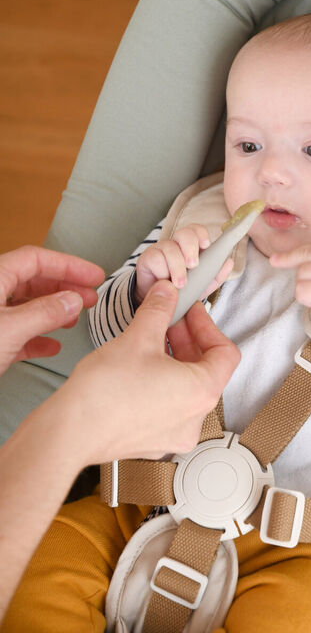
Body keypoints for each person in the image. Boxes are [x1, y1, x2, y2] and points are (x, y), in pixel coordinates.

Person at [2, 13, 311, 632]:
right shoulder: (200, 238)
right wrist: (150, 287)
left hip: (292, 543)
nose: (271, 172)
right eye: (248, 145)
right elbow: (110, 343)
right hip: (138, 504)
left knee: (302, 614)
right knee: (44, 567)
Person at [0, 246, 240, 624]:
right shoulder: (197, 230)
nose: (274, 181)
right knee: (41, 575)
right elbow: (105, 333)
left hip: (283, 543)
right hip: (133, 504)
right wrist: (142, 294)